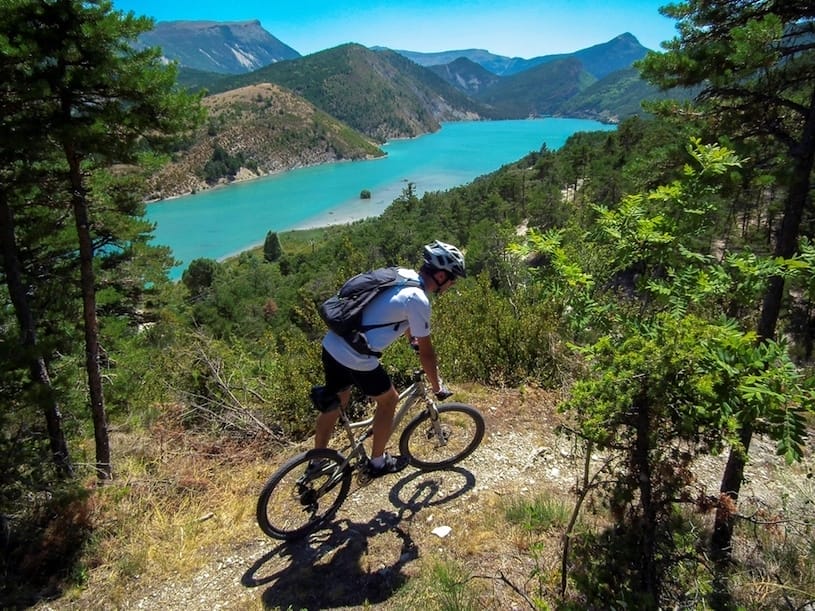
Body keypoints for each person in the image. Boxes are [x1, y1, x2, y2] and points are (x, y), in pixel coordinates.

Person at [310, 240, 466, 478]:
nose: (452, 284)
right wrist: (437, 387)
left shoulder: (402, 274)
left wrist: (410, 337)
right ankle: (378, 463)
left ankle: (316, 461)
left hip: (333, 342)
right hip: (357, 356)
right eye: (453, 279)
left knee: (337, 400)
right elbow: (427, 353)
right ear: (442, 276)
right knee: (388, 400)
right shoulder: (419, 300)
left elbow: (389, 310)